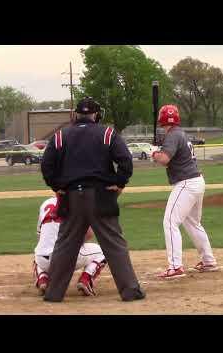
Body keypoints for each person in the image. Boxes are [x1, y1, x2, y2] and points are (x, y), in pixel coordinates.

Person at [40, 97, 145, 302]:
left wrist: (57, 186)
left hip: (70, 197)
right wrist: (120, 182)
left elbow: (47, 166)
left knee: (65, 245)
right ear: (96, 115)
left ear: (76, 114)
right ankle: (130, 291)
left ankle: (53, 293)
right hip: (101, 195)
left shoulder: (61, 135)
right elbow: (125, 160)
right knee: (114, 244)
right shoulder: (107, 133)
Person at [152, 104, 218, 279]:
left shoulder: (173, 135)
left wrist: (155, 154)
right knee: (193, 223)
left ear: (162, 119)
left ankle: (175, 266)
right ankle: (208, 260)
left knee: (170, 222)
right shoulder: (180, 134)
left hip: (186, 183)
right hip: (197, 181)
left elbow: (164, 159)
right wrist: (159, 152)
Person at [33, 196, 107, 296]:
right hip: (66, 259)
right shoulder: (77, 204)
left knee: (40, 251)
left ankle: (42, 279)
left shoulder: (46, 203)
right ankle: (86, 279)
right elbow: (89, 234)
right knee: (104, 250)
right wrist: (74, 243)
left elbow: (40, 235)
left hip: (42, 260)